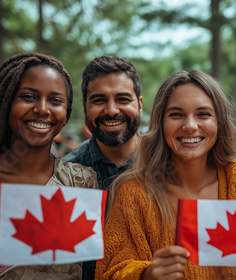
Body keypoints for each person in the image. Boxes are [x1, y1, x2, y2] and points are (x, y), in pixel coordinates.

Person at [95, 70, 236, 279]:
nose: (190, 126)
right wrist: (145, 275)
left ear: (219, 122)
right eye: (176, 115)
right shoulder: (134, 192)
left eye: (203, 114)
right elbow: (109, 271)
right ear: (160, 123)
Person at [0, 53, 98, 279]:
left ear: (67, 112)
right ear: (4, 102)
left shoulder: (82, 182)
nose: (43, 109)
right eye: (29, 96)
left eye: (55, 100)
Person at [63, 55, 142, 279]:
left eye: (123, 99)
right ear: (85, 107)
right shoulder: (64, 176)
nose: (111, 110)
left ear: (140, 104)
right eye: (99, 100)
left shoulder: (168, 164)